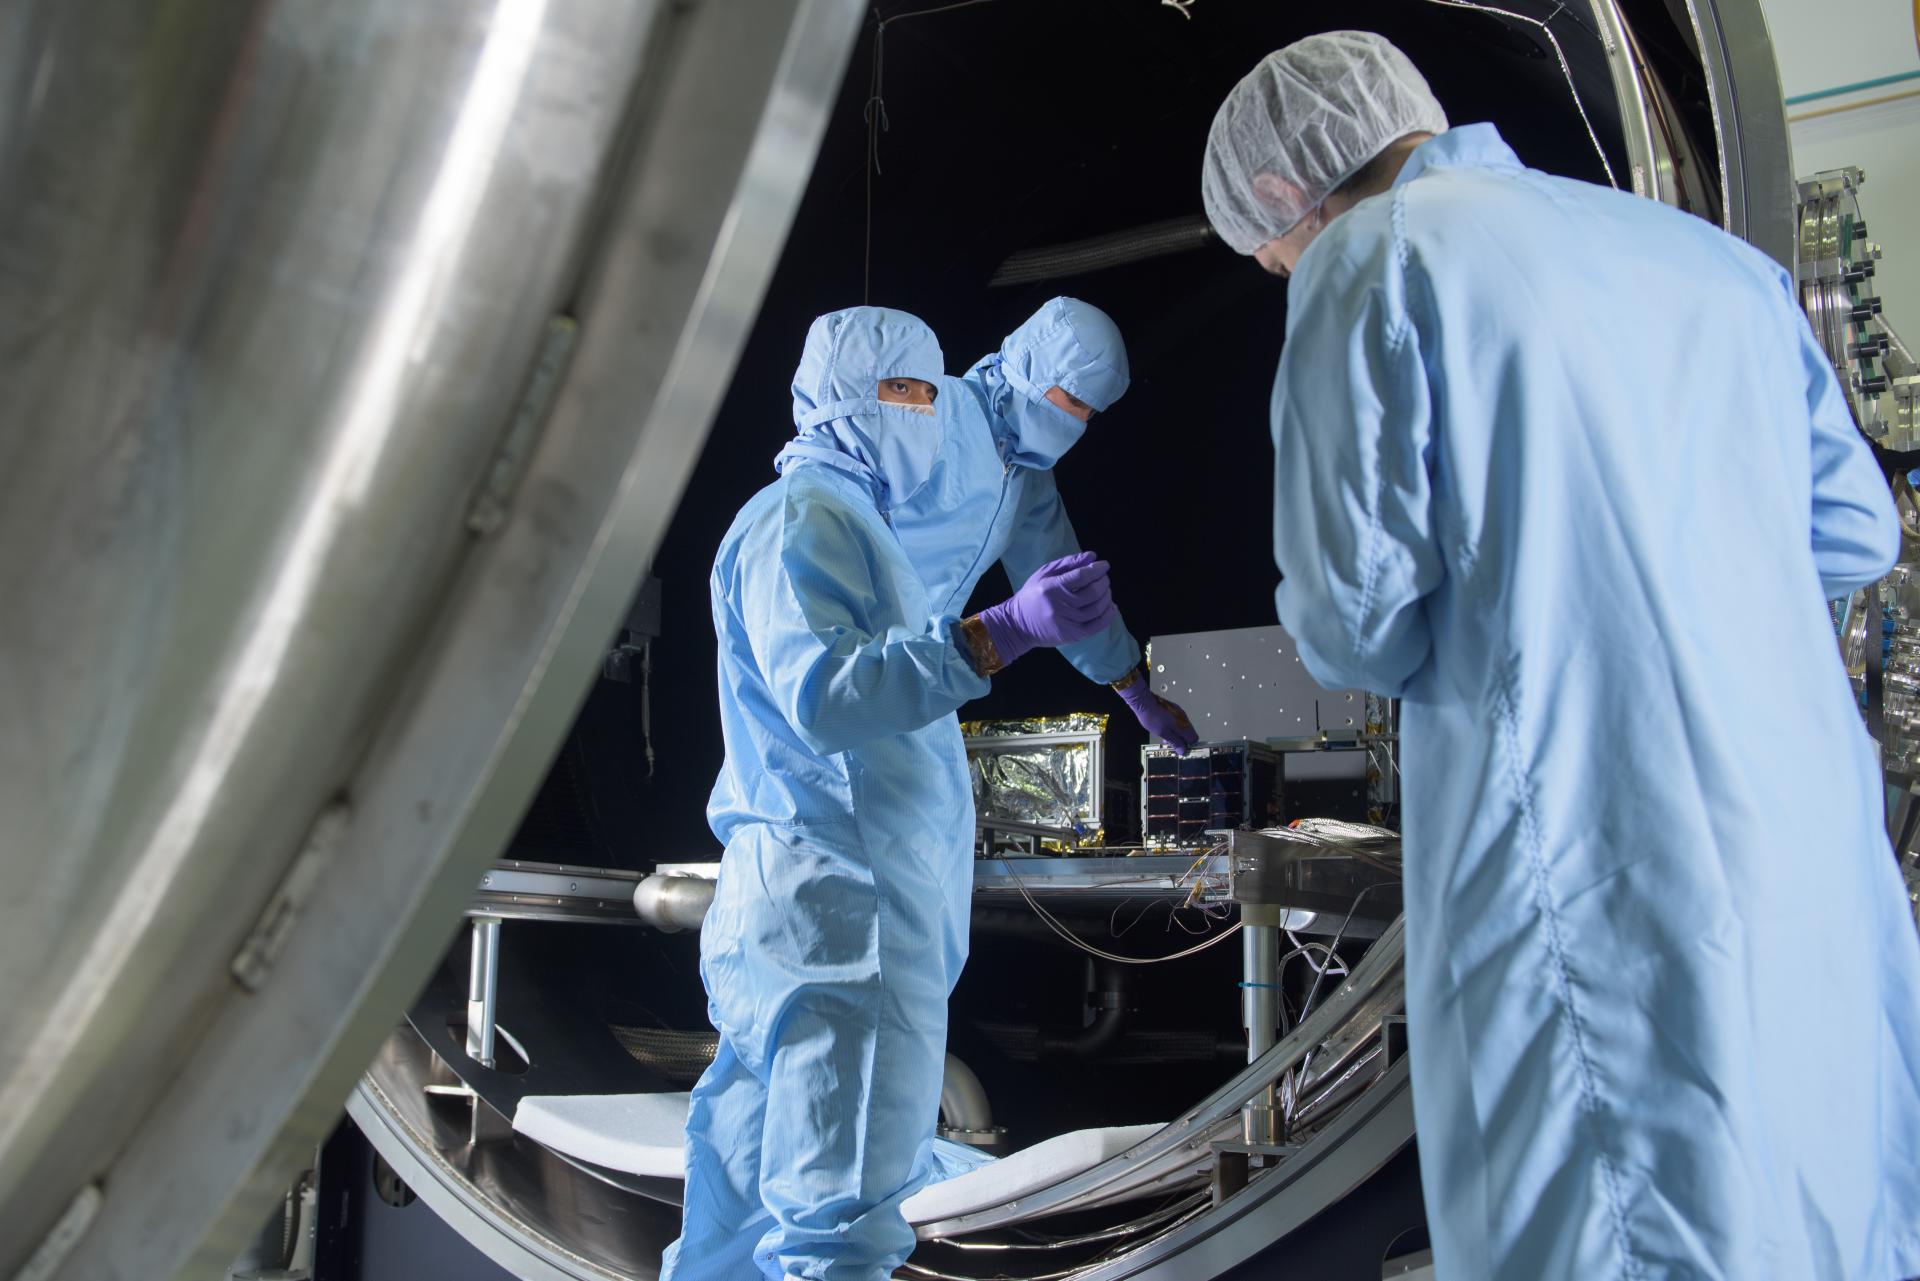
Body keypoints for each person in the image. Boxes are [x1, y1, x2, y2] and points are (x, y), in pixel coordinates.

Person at [1203, 30, 1920, 1281]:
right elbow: (1857, 529)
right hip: (1803, 850)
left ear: (1282, 196)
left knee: (1625, 1226)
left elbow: (1350, 620)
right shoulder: (1713, 263)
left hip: (1598, 861)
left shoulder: (1373, 261)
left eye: (1271, 260)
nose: (1284, 273)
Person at [662, 306, 1118, 1281]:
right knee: (841, 1235)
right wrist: (999, 634)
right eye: (905, 394)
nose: (927, 413)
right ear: (841, 402)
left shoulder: (848, 529)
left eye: (930, 388)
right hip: (842, 930)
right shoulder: (806, 523)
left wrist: (1109, 667)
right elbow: (828, 698)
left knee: (740, 1218)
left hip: (817, 918)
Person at [889, 296, 1197, 753]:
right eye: (1073, 399)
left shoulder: (1025, 478)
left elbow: (1068, 587)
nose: (1077, 422)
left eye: (1090, 412)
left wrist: (1132, 687)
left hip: (919, 670)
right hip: (842, 640)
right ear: (1031, 362)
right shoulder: (934, 410)